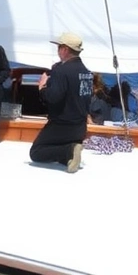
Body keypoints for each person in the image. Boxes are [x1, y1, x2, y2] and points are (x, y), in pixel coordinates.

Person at [29, 32, 92, 173]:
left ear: (65, 50)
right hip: (80, 128)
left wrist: (42, 87)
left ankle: (69, 150)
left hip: (62, 125)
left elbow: (52, 98)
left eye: (59, 48)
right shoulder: (87, 72)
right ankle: (70, 155)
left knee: (36, 153)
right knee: (56, 148)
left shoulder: (61, 71)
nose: (58, 51)